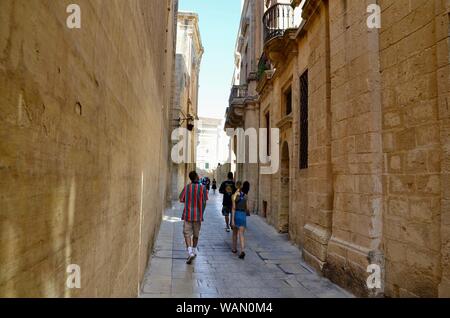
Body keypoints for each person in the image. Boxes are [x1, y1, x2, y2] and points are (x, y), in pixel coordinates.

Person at [179, 171, 208, 264]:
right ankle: (194, 251)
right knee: (196, 235)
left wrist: (189, 201)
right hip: (198, 215)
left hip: (188, 214)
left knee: (187, 233)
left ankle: (190, 252)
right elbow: (204, 202)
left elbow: (181, 199)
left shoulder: (187, 187)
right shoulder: (202, 188)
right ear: (196, 177)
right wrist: (201, 212)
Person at [231, 181, 250, 259]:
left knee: (235, 233)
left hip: (236, 214)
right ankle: (242, 250)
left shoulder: (234, 196)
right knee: (241, 234)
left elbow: (233, 208)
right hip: (243, 215)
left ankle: (234, 249)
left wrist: (232, 220)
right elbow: (247, 208)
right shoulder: (245, 196)